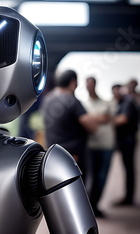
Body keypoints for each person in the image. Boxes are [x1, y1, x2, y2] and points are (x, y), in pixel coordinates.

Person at [41, 70, 99, 181]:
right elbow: (93, 127)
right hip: (73, 156)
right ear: (73, 83)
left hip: (53, 153)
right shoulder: (72, 101)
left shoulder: (47, 99)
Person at [82, 77, 115, 217]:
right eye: (87, 84)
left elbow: (108, 118)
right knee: (89, 176)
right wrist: (99, 118)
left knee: (101, 177)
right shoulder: (83, 103)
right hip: (90, 145)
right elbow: (101, 118)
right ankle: (87, 206)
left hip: (106, 144)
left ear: (95, 85)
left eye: (92, 84)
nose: (89, 87)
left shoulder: (106, 103)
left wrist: (90, 118)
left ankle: (95, 206)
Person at [112, 83, 138, 205]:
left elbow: (123, 119)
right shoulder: (122, 102)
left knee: (128, 168)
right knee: (127, 168)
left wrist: (106, 120)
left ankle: (129, 198)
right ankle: (128, 196)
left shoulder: (127, 102)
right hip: (125, 140)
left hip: (128, 140)